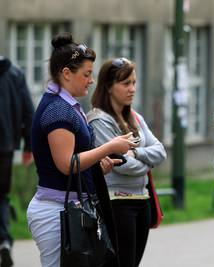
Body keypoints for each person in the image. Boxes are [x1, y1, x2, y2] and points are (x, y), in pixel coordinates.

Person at [26, 32, 137, 267]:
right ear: (66, 73)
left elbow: (77, 160)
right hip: (56, 212)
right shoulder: (58, 110)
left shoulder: (66, 105)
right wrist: (110, 146)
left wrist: (97, 163)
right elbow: (67, 164)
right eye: (86, 74)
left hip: (68, 209)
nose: (91, 80)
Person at [87, 58, 167, 267]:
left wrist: (136, 153)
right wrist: (145, 161)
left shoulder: (135, 118)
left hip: (143, 201)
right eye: (125, 83)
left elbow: (160, 152)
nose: (132, 89)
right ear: (109, 87)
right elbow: (121, 164)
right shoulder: (98, 120)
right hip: (117, 204)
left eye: (134, 82)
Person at [0, 56, 34, 267]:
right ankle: (4, 241)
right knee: (1, 196)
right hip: (5, 147)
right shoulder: (14, 74)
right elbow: (28, 111)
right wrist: (28, 146)